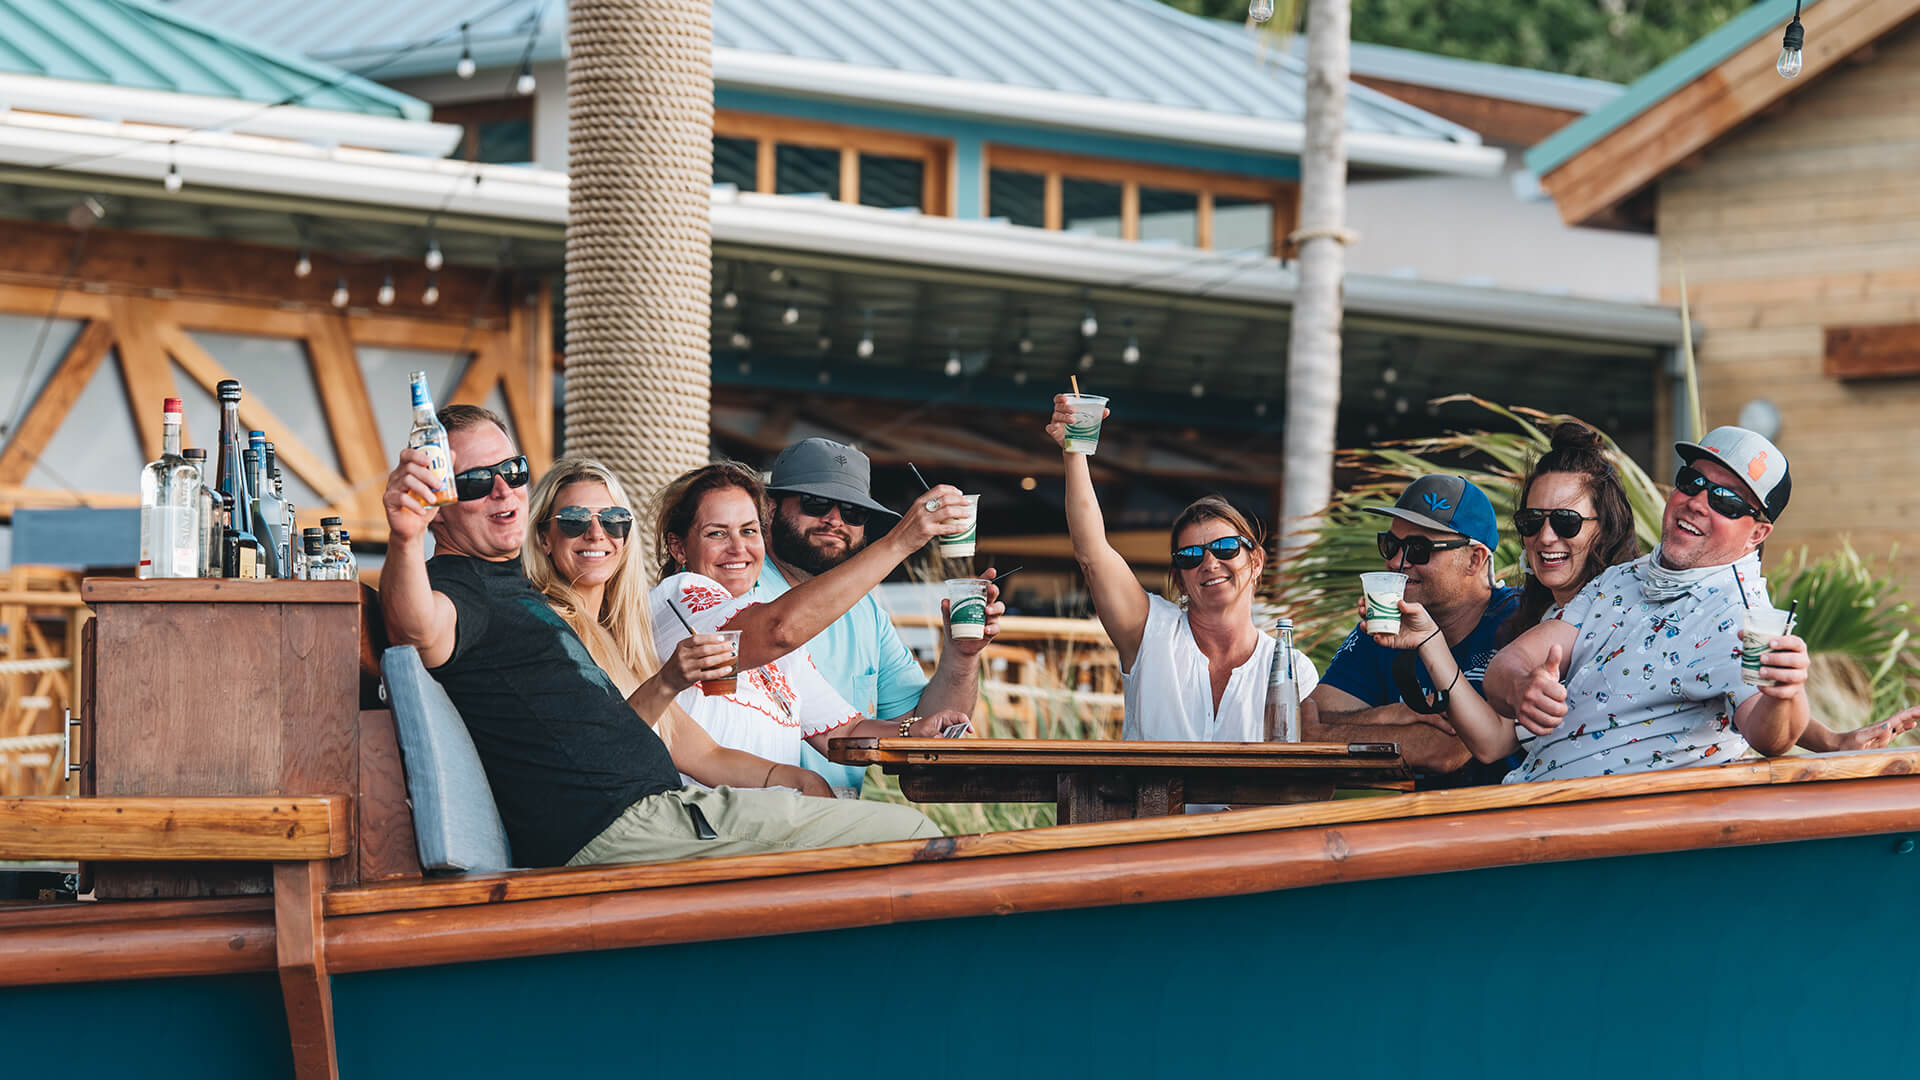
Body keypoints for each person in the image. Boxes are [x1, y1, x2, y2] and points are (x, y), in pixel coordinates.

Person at [379, 406, 940, 867]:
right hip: (629, 825)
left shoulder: (528, 601)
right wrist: (404, 536)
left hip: (669, 810)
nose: (502, 492)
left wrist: (787, 775)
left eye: (514, 471)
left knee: (897, 835)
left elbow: (698, 745)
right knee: (913, 833)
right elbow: (417, 632)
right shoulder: (464, 592)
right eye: (476, 482)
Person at [1478, 426, 1812, 780]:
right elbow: (1510, 662)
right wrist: (1521, 685)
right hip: (1531, 806)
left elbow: (1767, 735)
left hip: (1613, 822)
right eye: (1691, 481)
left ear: (1757, 535)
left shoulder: (1742, 615)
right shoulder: (1622, 578)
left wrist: (1785, 695)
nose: (1697, 503)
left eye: (1726, 501)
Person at [650, 462, 973, 773]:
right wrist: (901, 541)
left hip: (773, 816)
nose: (739, 548)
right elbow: (779, 630)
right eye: (717, 534)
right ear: (679, 548)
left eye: (749, 531)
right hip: (707, 817)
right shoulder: (681, 598)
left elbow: (846, 733)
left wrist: (913, 731)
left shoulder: (771, 619)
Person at [1049, 395, 1316, 742]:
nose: (1209, 562)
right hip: (1149, 799)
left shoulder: (1292, 668)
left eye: (1225, 548)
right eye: (1190, 555)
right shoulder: (1151, 633)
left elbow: (1303, 776)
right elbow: (1092, 554)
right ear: (1179, 578)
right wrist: (1074, 451)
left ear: (1256, 561)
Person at [754, 438, 1005, 791]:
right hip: (749, 808)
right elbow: (780, 630)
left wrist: (962, 656)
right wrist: (902, 539)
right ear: (770, 509)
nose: (834, 520)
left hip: (833, 813)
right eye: (816, 503)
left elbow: (921, 727)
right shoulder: (743, 578)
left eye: (853, 511)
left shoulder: (865, 609)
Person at [1304, 474, 1517, 785]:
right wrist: (1394, 715)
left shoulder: (1516, 620)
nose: (1396, 562)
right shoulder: (1386, 620)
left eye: (1418, 549)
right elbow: (1309, 718)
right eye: (1390, 544)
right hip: (1414, 825)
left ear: (1474, 559)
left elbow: (1446, 750)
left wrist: (1322, 737)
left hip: (1507, 822)